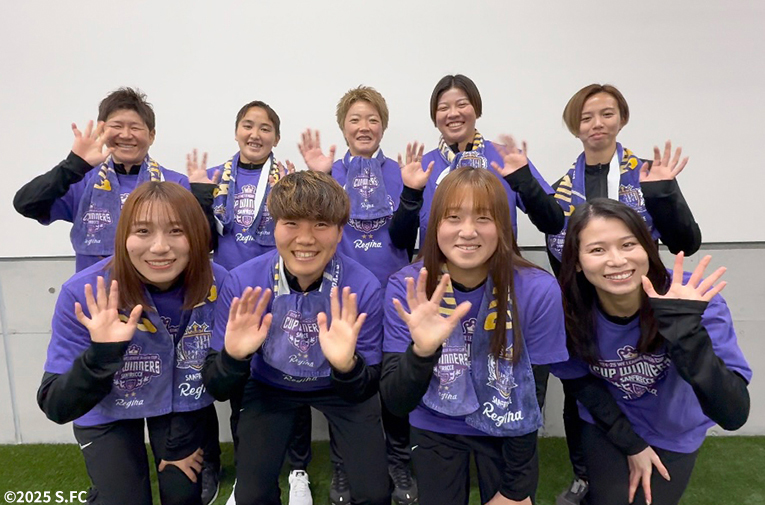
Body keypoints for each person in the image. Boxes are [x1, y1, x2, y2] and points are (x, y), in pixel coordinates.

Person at [14, 87, 221, 504]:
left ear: (152, 135)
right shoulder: (85, 179)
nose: (158, 246)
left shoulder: (174, 184)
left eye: (136, 127)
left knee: (181, 485)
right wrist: (73, 165)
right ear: (102, 130)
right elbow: (26, 203)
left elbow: (205, 244)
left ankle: (201, 458)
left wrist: (200, 197)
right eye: (117, 126)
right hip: (103, 318)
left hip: (166, 321)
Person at [545, 84, 702, 505]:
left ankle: (657, 448)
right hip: (587, 310)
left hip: (644, 302)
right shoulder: (562, 189)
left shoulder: (647, 175)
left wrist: (666, 194)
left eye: (607, 113)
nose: (597, 124)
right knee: (582, 390)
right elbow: (559, 259)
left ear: (622, 118)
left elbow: (686, 242)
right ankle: (584, 475)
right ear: (574, 126)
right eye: (586, 117)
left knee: (648, 379)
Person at [381, 167, 569, 505]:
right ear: (435, 225)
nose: (467, 231)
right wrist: (422, 352)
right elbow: (396, 402)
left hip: (508, 425)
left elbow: (531, 395)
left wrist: (515, 488)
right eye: (453, 217)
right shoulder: (408, 287)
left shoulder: (538, 289)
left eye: (483, 218)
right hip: (435, 423)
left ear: (503, 226)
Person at [203, 171, 390, 505]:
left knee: (375, 494)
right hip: (269, 386)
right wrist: (233, 358)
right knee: (251, 496)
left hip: (338, 390)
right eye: (291, 223)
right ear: (274, 227)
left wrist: (347, 366)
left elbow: (366, 387)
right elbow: (218, 389)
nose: (305, 239)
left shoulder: (362, 287)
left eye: (321, 224)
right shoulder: (243, 283)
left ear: (340, 231)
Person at [37, 182, 227, 505]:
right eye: (142, 231)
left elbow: (221, 379)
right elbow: (56, 405)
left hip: (178, 402)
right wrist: (101, 354)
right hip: (105, 407)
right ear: (123, 235)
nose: (159, 247)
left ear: (197, 235)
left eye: (176, 231)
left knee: (182, 492)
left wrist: (177, 444)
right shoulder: (84, 293)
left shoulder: (219, 284)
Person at [552, 199, 751, 505]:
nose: (617, 260)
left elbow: (733, 413)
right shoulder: (567, 307)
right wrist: (632, 445)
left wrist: (685, 331)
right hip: (610, 418)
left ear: (648, 248)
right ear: (577, 261)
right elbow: (579, 381)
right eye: (597, 250)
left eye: (628, 244)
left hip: (674, 427)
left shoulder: (692, 298)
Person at [298, 86, 430, 504]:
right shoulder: (329, 171)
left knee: (393, 382)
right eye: (355, 119)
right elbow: (314, 235)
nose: (364, 126)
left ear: (383, 126)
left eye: (372, 119)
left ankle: (398, 461)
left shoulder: (401, 171)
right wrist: (320, 178)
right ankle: (344, 465)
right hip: (341, 297)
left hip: (394, 295)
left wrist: (411, 192)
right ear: (343, 127)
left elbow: (403, 239)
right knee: (345, 382)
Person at [189, 101, 310, 505]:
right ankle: (248, 471)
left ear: (276, 137)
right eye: (248, 125)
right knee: (241, 386)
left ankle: (298, 470)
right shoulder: (212, 179)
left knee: (295, 376)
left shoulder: (289, 180)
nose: (255, 134)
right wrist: (200, 197)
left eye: (265, 128)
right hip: (232, 297)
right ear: (237, 130)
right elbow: (202, 240)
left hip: (282, 293)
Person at [411, 74, 564, 242]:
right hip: (436, 260)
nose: (453, 113)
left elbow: (554, 224)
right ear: (434, 116)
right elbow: (401, 239)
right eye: (443, 108)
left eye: (462, 104)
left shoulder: (507, 160)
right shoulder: (421, 168)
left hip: (500, 259)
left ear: (476, 109)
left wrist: (525, 181)